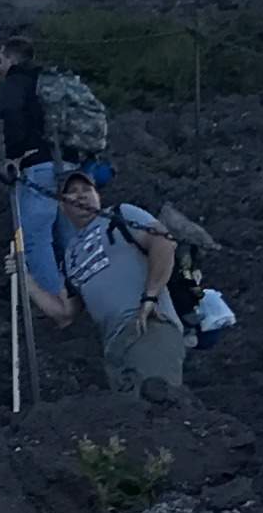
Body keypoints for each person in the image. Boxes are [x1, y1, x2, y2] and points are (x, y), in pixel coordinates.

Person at [20, 168, 186, 402]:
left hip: (148, 326)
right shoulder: (70, 254)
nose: (81, 195)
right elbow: (65, 314)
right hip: (114, 348)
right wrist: (25, 280)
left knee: (157, 407)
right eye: (72, 192)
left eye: (87, 189)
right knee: (134, 420)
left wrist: (150, 297)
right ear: (61, 206)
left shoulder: (119, 216)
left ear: (98, 196)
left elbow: (163, 241)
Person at [0, 36, 78, 301]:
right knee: (71, 235)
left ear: (11, 58)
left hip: (38, 165)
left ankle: (54, 301)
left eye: (1, 60)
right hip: (71, 164)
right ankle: (82, 296)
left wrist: (14, 156)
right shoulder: (50, 82)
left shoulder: (16, 82)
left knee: (34, 238)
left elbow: (12, 114)